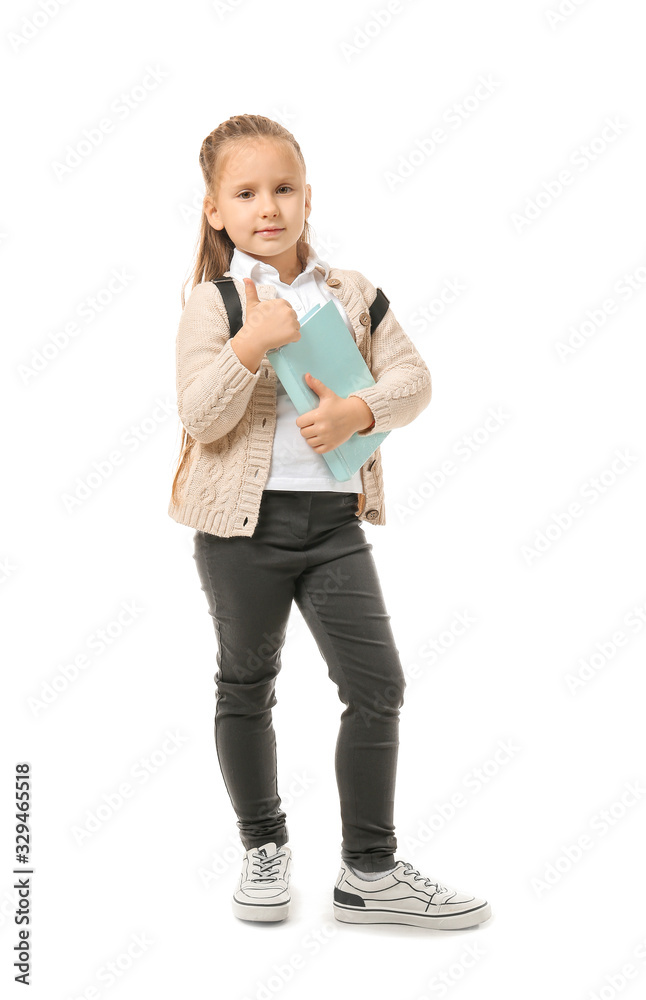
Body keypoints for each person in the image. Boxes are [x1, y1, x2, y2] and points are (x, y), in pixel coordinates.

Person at [168, 113, 492, 931]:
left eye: (283, 189)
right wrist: (251, 346)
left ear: (309, 198)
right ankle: (264, 849)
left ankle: (370, 874)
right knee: (246, 684)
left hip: (333, 525)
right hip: (240, 533)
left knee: (378, 686)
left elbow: (414, 382)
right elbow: (199, 419)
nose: (267, 207)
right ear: (215, 211)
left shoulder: (351, 293)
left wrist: (356, 410)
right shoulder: (214, 302)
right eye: (245, 193)